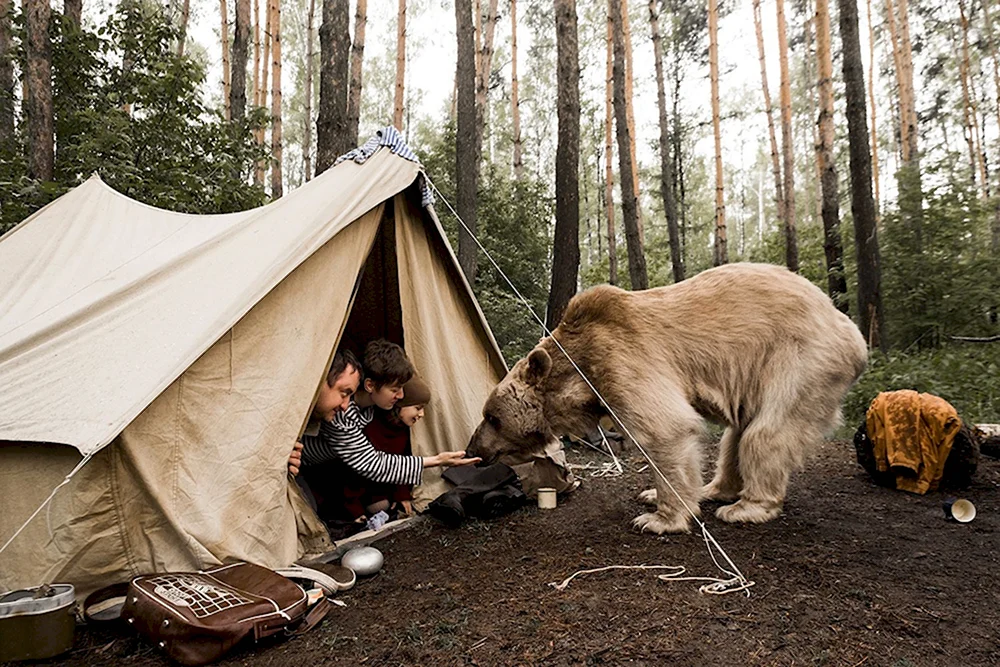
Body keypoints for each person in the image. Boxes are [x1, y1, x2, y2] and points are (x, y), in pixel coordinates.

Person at [288, 340, 478, 513]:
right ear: (370, 386)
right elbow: (373, 464)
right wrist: (436, 460)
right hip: (304, 465)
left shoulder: (371, 408)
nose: (401, 396)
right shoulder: (341, 414)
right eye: (395, 390)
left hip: (332, 462)